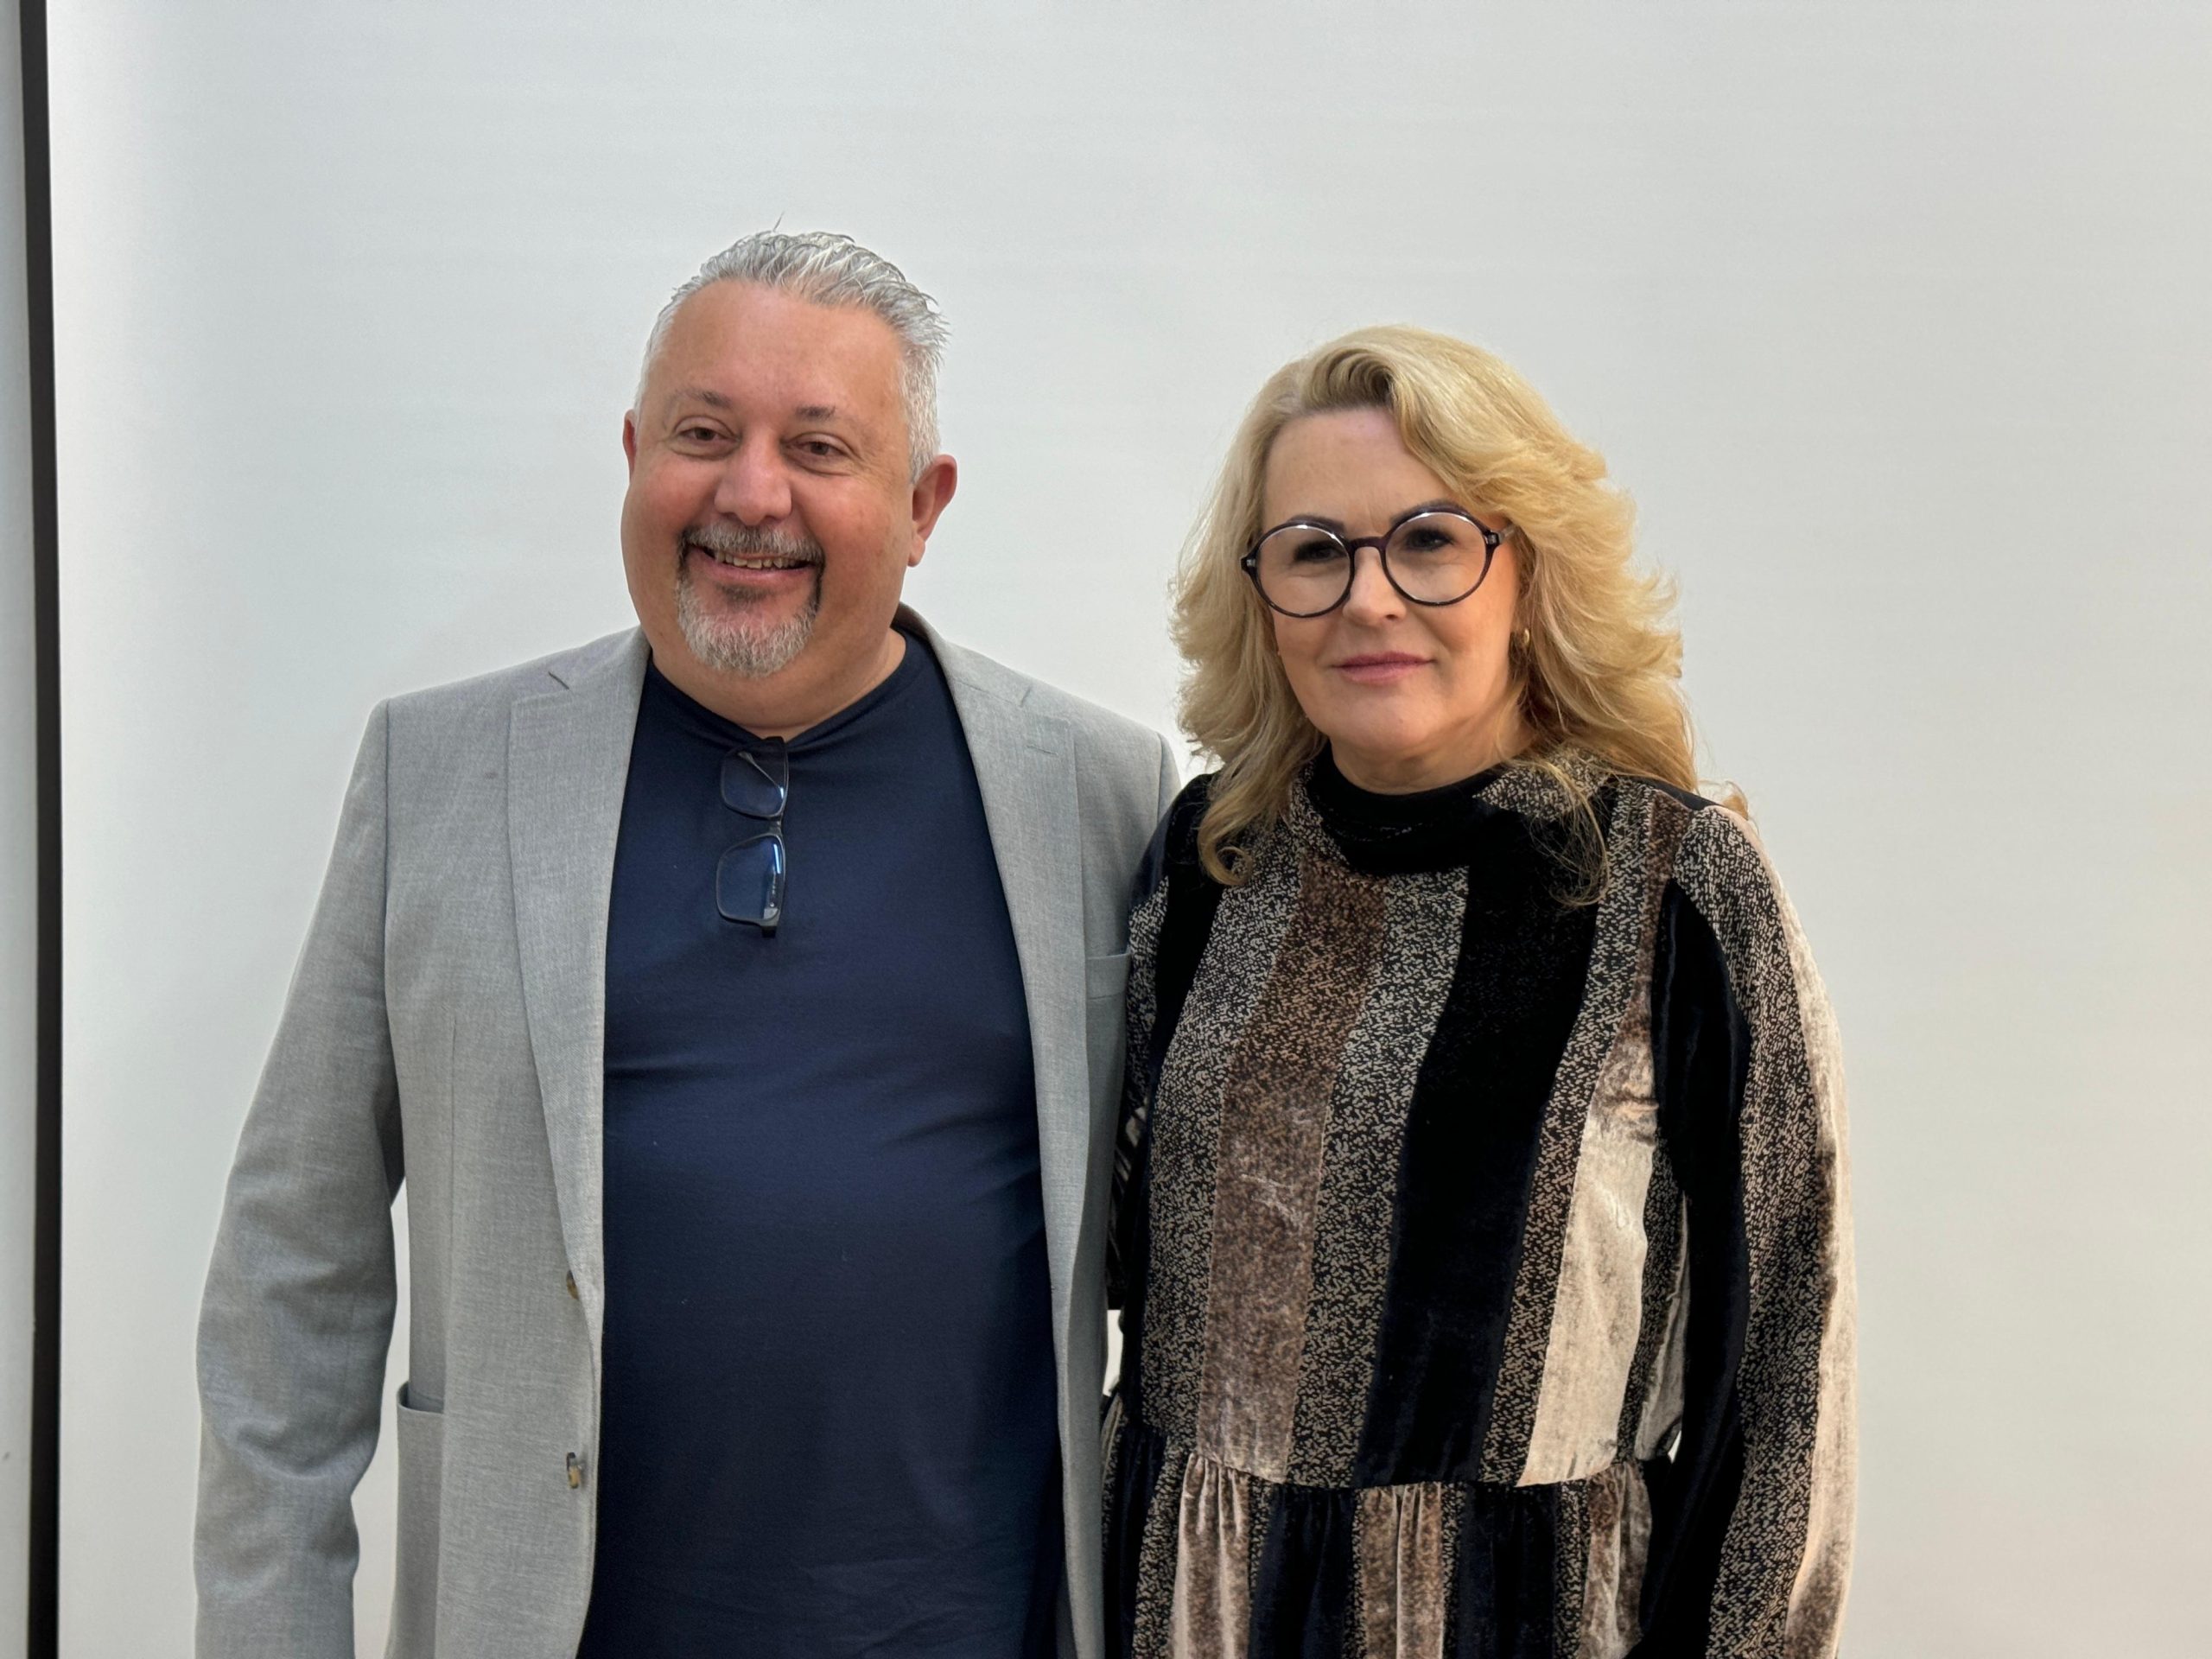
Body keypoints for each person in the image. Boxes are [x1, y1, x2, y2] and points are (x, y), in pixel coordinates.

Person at [194, 231, 1177, 1659]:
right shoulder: (442, 772)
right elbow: (296, 1260)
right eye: (703, 435)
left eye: (819, 447)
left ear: (923, 505)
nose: (750, 495)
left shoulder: (1096, 792)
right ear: (634, 455)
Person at [1103, 327, 1854, 1657]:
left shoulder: (1673, 887)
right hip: (1193, 1614)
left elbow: (1788, 1367)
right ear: (1261, 592)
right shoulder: (1210, 863)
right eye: (1314, 551)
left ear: (1527, 573)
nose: (1369, 599)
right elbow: (1105, 1259)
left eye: (1430, 541)